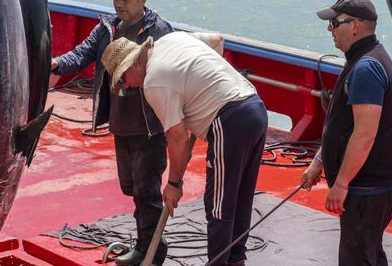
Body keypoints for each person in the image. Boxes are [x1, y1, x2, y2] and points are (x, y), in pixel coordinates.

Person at [101, 32, 268, 266]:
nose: (126, 85)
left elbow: (178, 138)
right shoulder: (173, 39)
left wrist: (174, 184)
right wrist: (204, 86)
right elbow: (217, 41)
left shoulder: (154, 82)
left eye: (122, 79)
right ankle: (235, 261)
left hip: (229, 120)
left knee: (218, 205)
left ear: (133, 63)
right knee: (240, 197)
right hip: (255, 107)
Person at [51, 0, 174, 266]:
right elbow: (81, 54)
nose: (119, 4)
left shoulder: (159, 30)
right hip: (121, 123)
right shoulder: (108, 28)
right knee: (131, 188)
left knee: (146, 191)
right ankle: (145, 245)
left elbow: (172, 73)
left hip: (149, 126)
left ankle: (151, 252)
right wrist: (54, 63)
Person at [300, 0, 392, 265]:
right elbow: (344, 125)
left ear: (355, 26)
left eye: (335, 23)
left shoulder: (366, 68)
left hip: (367, 188)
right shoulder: (361, 59)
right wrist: (319, 161)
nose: (330, 29)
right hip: (368, 186)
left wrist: (341, 184)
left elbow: (364, 134)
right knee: (368, 255)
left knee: (358, 260)